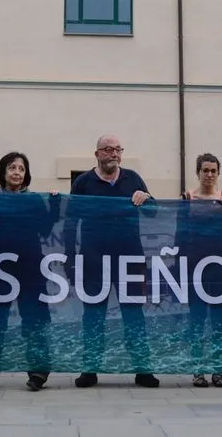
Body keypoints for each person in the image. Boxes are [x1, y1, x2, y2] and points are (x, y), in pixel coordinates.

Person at [64, 135, 159, 388]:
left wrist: (146, 197)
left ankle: (143, 370)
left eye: (118, 149)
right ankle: (90, 369)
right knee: (93, 316)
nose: (114, 154)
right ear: (96, 154)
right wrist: (69, 258)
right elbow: (71, 221)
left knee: (134, 315)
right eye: (108, 150)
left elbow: (154, 210)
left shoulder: (133, 179)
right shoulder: (83, 182)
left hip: (130, 259)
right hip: (93, 259)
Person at [0, 152, 60, 392]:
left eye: (21, 169)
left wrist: (54, 206)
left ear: (26, 174)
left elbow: (44, 229)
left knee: (35, 319)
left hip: (30, 266)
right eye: (12, 168)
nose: (17, 172)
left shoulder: (33, 200)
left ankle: (38, 372)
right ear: (3, 172)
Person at [176, 153, 222, 388]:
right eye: (205, 170)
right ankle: (197, 370)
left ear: (218, 173)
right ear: (198, 172)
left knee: (220, 320)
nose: (209, 175)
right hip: (195, 267)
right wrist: (178, 267)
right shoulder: (188, 199)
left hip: (221, 267)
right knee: (197, 319)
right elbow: (178, 235)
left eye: (213, 171)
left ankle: (218, 370)